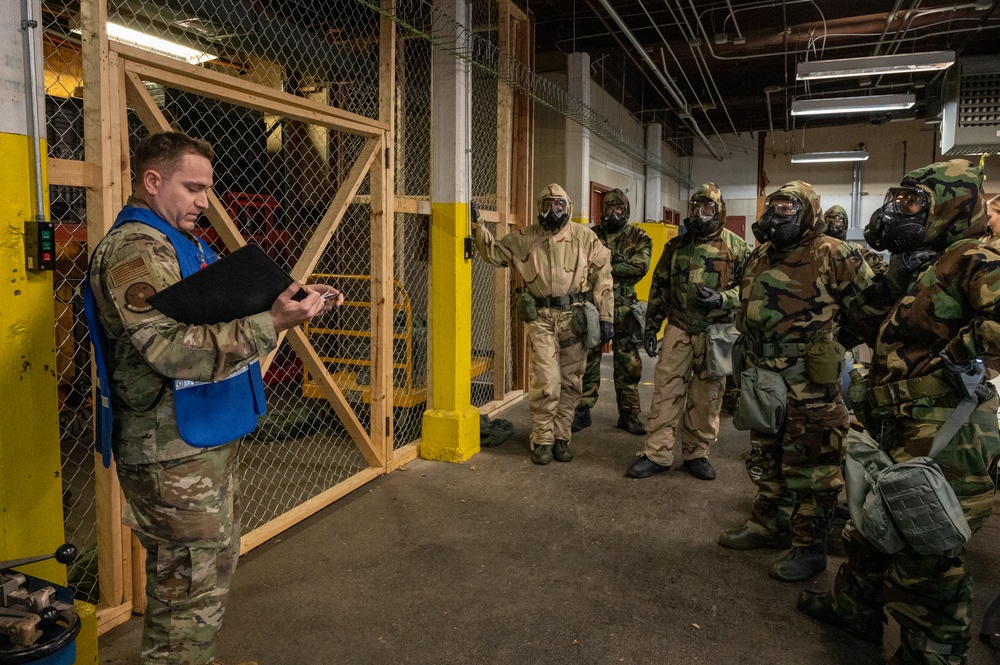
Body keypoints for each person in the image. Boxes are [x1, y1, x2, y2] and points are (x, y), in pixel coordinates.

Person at [83, 131, 342, 665]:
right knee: (187, 595)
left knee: (206, 573)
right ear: (152, 181)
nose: (204, 201)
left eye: (208, 189)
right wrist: (271, 322)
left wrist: (286, 301)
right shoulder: (136, 249)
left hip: (194, 440)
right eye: (193, 187)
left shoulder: (183, 243)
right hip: (167, 449)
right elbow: (169, 349)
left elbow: (216, 309)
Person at [798, 160, 1000, 664]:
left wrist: (957, 356)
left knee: (923, 545)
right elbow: (861, 321)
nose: (899, 212)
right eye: (902, 200)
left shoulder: (978, 258)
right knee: (871, 519)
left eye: (914, 203)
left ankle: (931, 651)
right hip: (895, 417)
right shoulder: (923, 262)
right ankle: (855, 609)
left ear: (952, 207)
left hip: (944, 426)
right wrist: (892, 282)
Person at [717, 180, 872, 582]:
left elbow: (871, 313)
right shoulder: (762, 254)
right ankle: (769, 523)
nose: (775, 216)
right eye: (773, 208)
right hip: (764, 377)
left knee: (813, 466)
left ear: (807, 212)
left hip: (811, 384)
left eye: (786, 209)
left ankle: (809, 548)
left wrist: (835, 348)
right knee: (766, 454)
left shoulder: (835, 254)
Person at [473, 184, 613, 464]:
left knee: (572, 383)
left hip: (576, 318)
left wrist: (607, 316)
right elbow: (494, 252)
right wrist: (476, 224)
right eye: (547, 204)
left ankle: (562, 438)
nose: (553, 211)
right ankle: (542, 440)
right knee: (547, 382)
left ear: (568, 206)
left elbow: (604, 276)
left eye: (559, 205)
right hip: (541, 319)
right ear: (539, 207)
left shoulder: (585, 238)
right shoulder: (524, 238)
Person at [626, 183, 749, 480]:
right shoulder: (676, 246)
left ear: (719, 211)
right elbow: (660, 287)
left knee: (707, 395)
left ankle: (696, 453)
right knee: (666, 390)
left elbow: (750, 290)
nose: (700, 214)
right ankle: (657, 452)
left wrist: (723, 299)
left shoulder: (739, 248)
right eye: (696, 207)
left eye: (707, 208)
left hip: (715, 333)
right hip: (678, 327)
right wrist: (652, 326)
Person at [573, 189, 652, 435]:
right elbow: (580, 267)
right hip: (594, 308)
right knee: (589, 360)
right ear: (602, 210)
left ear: (625, 210)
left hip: (626, 309)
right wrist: (616, 264)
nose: (613, 213)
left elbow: (641, 267)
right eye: (609, 209)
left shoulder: (639, 236)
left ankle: (628, 414)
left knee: (628, 363)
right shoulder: (590, 235)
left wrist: (605, 264)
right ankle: (583, 409)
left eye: (618, 209)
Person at [823, 204, 887, 274]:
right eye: (829, 221)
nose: (832, 225)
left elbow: (883, 269)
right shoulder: (816, 249)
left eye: (837, 221)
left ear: (844, 224)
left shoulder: (856, 251)